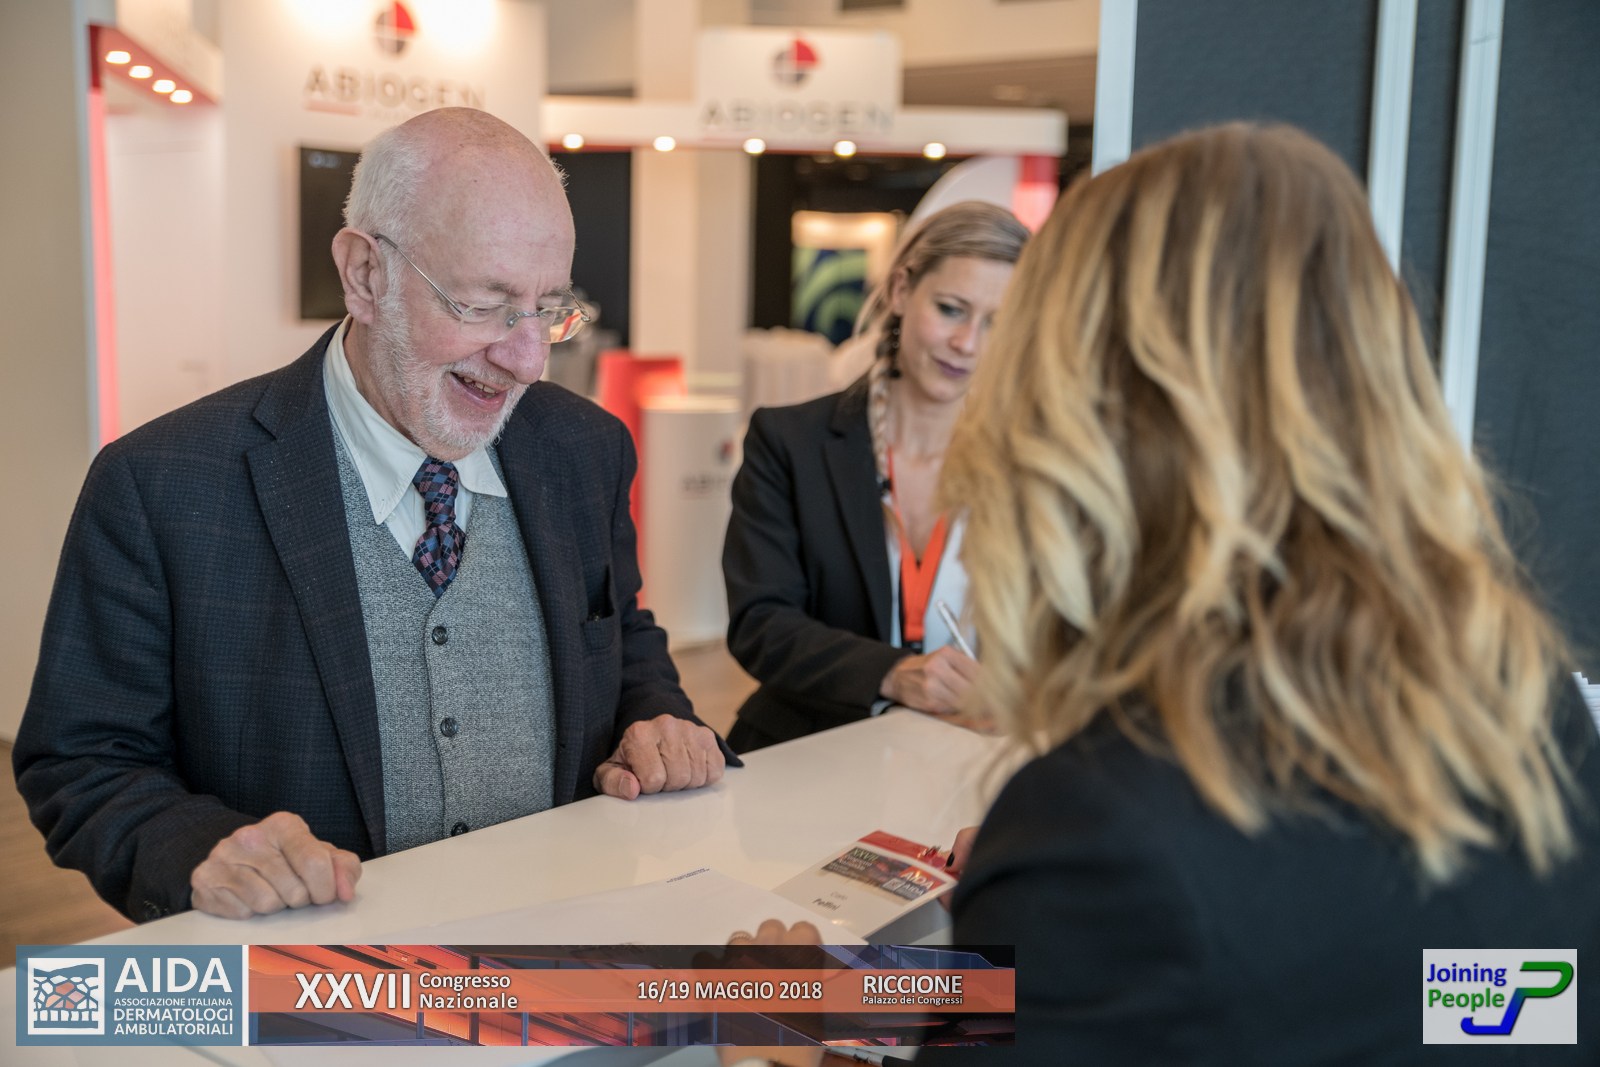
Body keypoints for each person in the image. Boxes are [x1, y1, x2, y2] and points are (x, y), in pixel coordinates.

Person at [923, 124, 1600, 1061]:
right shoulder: (1529, 701)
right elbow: (1484, 1006)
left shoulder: (1100, 835)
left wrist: (798, 1023)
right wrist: (1051, 941)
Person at [13, 108, 735, 924]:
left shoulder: (586, 449)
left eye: (548, 309)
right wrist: (198, 850)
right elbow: (84, 759)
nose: (530, 361)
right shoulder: (159, 485)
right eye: (483, 304)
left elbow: (621, 637)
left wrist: (655, 714)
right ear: (364, 274)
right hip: (311, 980)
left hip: (560, 947)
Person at [721, 202, 1029, 751]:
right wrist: (894, 673)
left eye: (997, 323)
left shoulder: (1029, 464)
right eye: (952, 309)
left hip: (970, 757)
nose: (968, 343)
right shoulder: (791, 442)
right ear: (902, 290)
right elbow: (761, 625)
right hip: (814, 753)